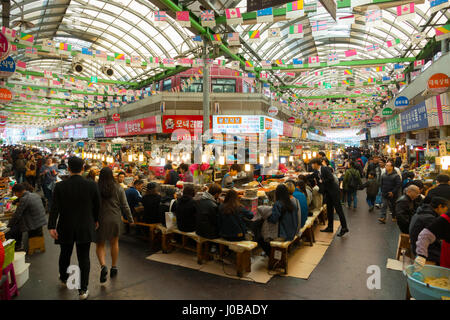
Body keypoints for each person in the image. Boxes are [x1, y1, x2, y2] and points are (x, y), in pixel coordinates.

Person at [48, 156, 101, 300]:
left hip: (65, 226)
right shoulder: (92, 185)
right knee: (84, 257)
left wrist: (51, 226)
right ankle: (83, 290)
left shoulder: (60, 186)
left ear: (68, 169)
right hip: (85, 225)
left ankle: (64, 278)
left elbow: (54, 208)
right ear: (83, 168)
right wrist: (96, 220)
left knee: (65, 253)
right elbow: (97, 205)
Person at [95, 167, 134, 283]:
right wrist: (130, 219)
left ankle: (103, 266)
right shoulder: (118, 188)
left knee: (100, 244)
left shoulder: (96, 188)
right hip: (115, 218)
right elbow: (125, 205)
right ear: (112, 175)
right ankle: (114, 266)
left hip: (100, 219)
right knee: (114, 242)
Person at [309, 158, 349, 236]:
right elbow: (310, 176)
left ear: (316, 164)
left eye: (312, 164)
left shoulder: (324, 169)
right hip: (328, 192)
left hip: (334, 192)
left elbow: (331, 178)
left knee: (339, 210)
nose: (311, 165)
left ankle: (344, 228)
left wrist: (322, 181)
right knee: (329, 210)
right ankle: (330, 227)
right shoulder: (317, 171)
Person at [6, 183, 47, 250]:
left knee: (13, 229)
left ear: (18, 192)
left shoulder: (24, 199)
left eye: (15, 193)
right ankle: (18, 244)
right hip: (41, 220)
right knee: (17, 224)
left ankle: (18, 246)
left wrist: (8, 226)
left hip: (34, 223)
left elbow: (17, 215)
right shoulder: (34, 194)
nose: (15, 195)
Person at [409, 197, 448, 265]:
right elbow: (429, 236)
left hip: (415, 245)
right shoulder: (429, 218)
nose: (446, 212)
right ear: (439, 206)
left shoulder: (422, 211)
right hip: (424, 251)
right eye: (446, 209)